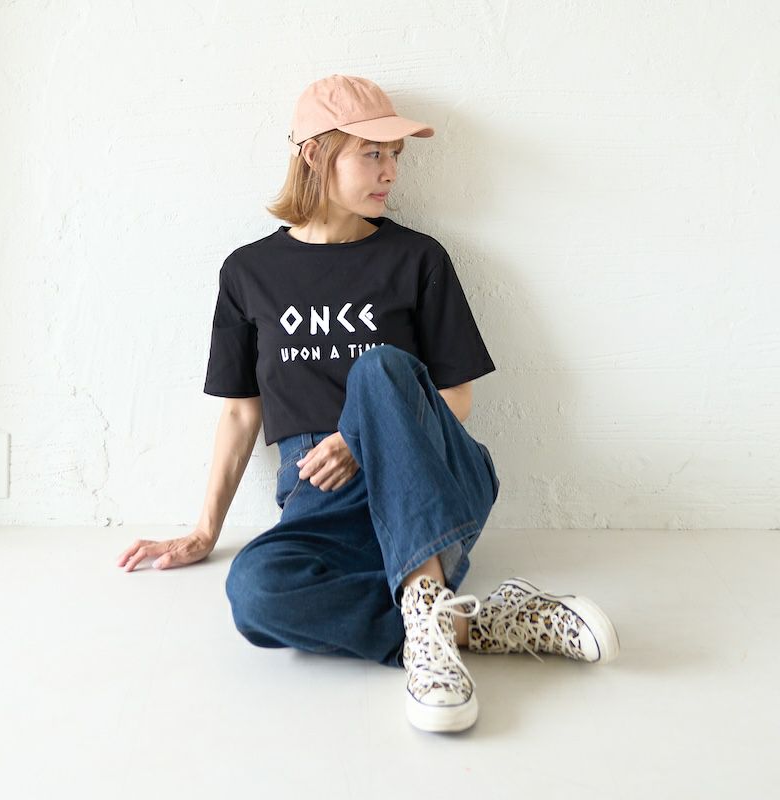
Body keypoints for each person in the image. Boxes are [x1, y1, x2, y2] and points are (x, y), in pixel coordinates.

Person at [116, 74, 620, 734]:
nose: (390, 172)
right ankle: (470, 623)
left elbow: (456, 396)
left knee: (380, 368)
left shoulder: (418, 258)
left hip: (431, 478)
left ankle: (426, 624)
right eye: (372, 153)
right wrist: (204, 532)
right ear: (314, 154)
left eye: (395, 155)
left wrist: (360, 436)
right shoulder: (248, 273)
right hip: (322, 501)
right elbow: (241, 412)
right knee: (253, 591)